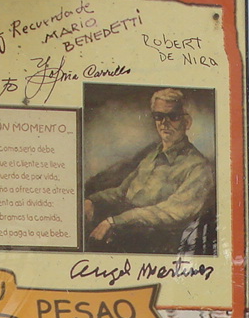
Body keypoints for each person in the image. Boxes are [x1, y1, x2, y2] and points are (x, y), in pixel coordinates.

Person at [83, 89, 214, 253]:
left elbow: (170, 212)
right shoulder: (151, 156)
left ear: (186, 122)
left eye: (173, 116)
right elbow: (122, 192)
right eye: (159, 117)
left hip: (160, 248)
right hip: (126, 235)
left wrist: (115, 221)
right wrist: (92, 201)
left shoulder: (198, 166)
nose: (164, 123)